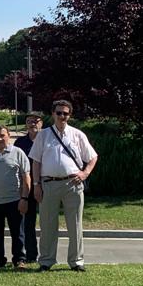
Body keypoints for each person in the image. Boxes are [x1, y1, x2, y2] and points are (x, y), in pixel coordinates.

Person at [29, 100, 98, 272]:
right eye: (59, 113)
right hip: (48, 184)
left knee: (75, 225)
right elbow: (36, 162)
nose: (62, 116)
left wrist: (85, 173)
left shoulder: (77, 135)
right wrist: (36, 185)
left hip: (72, 184)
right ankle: (46, 261)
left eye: (65, 113)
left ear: (70, 115)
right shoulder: (43, 135)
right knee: (47, 225)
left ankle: (76, 261)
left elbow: (92, 157)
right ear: (52, 114)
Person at [0, 125, 31, 269]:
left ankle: (19, 260)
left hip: (14, 200)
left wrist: (24, 198)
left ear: (9, 135)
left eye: (2, 135)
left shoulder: (18, 153)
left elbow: (26, 177)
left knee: (18, 234)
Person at [13, 113, 43, 263]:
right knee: (28, 222)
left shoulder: (47, 140)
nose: (32, 124)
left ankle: (47, 256)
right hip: (28, 186)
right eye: (29, 122)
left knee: (46, 222)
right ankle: (31, 255)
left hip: (46, 184)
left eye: (35, 121)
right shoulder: (20, 142)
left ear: (41, 123)